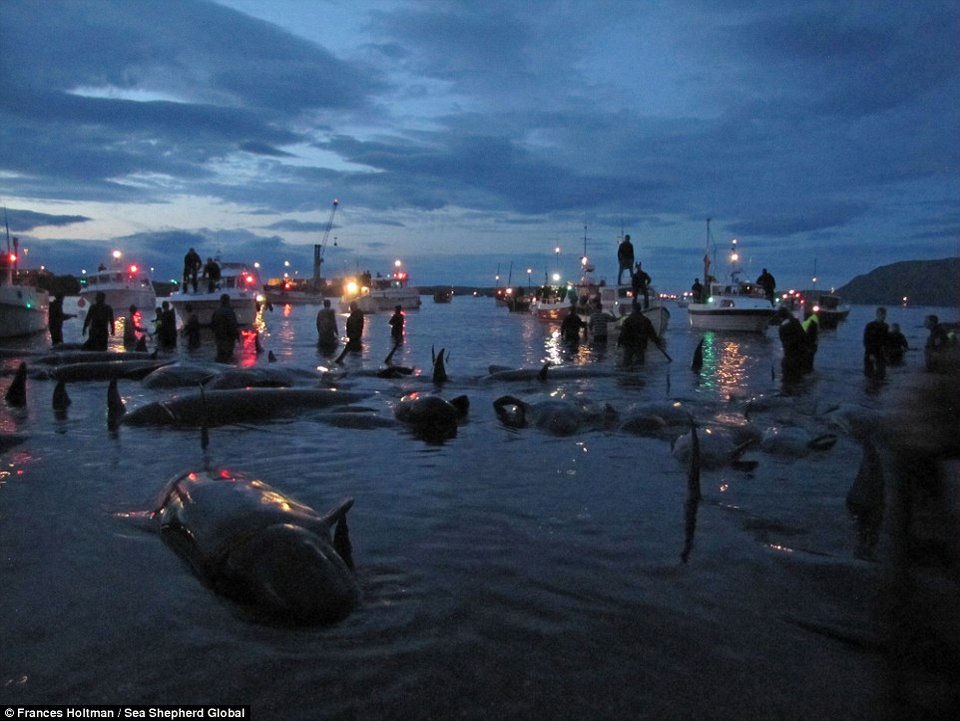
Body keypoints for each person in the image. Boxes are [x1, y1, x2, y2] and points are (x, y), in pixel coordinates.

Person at [776, 307, 809, 380]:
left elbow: (785, 343)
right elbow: (803, 336)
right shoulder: (795, 321)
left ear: (780, 317)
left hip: (790, 356)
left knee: (787, 379)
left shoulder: (782, 328)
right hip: (801, 354)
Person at [210, 293, 240, 363]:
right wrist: (237, 336)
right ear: (228, 301)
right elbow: (233, 325)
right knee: (228, 354)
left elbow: (212, 325)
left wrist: (215, 334)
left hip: (219, 337)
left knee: (220, 353)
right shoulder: (230, 312)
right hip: (228, 338)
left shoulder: (216, 311)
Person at [863, 307, 889, 380]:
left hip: (880, 352)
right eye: (881, 314)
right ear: (877, 314)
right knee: (868, 375)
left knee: (881, 373)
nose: (883, 316)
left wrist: (886, 353)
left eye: (884, 315)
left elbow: (886, 341)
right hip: (870, 352)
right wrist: (870, 353)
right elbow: (867, 341)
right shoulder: (870, 326)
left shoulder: (885, 326)